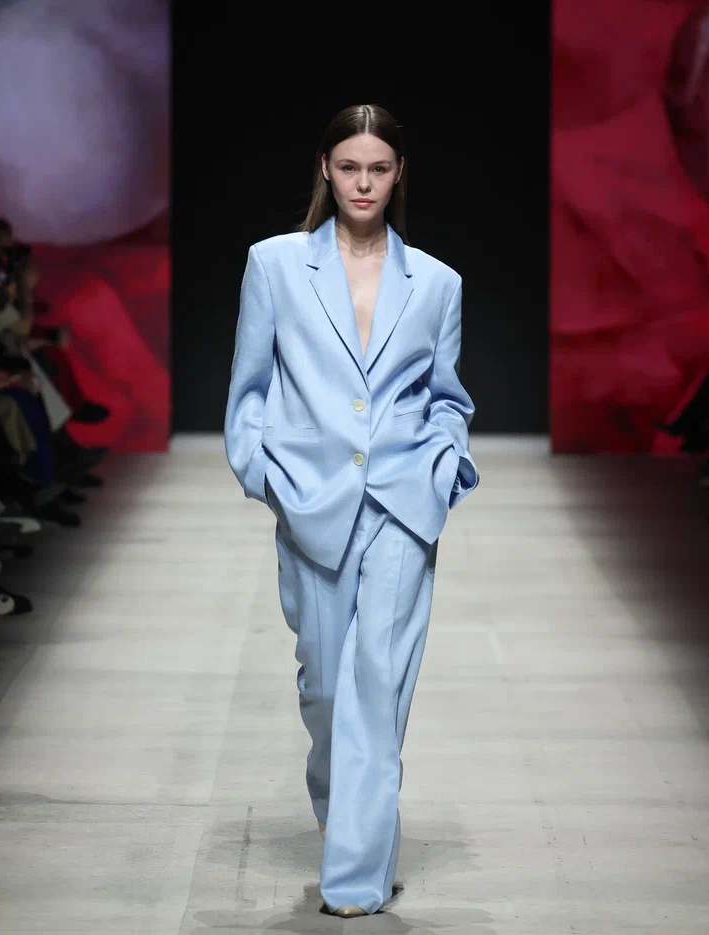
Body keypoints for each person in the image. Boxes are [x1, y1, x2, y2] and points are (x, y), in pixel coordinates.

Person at [224, 104, 480, 918]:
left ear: (398, 174)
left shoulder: (436, 283)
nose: (363, 183)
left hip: (403, 502)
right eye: (349, 167)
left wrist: (443, 465)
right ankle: (346, 816)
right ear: (325, 170)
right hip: (310, 500)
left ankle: (356, 875)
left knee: (376, 683)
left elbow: (448, 397)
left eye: (378, 168)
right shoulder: (273, 265)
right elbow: (249, 387)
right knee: (328, 688)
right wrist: (262, 470)